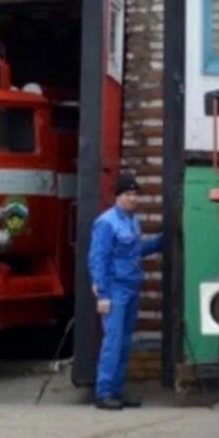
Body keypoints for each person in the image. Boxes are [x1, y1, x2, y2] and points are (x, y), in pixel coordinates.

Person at [89, 173, 163, 410]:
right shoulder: (106, 223)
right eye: (128, 194)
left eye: (135, 194)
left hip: (130, 287)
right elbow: (97, 259)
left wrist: (161, 241)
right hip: (114, 289)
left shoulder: (132, 221)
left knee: (123, 341)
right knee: (113, 341)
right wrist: (102, 295)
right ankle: (104, 392)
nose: (133, 198)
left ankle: (117, 391)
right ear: (117, 196)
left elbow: (136, 250)